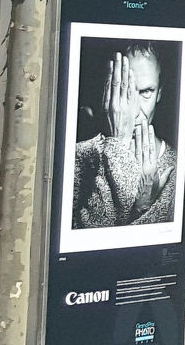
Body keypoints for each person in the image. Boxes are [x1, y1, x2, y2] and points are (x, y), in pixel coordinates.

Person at [72, 44, 177, 230]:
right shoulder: (80, 155)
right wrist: (118, 144)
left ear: (159, 93)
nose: (134, 111)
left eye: (146, 92)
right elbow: (90, 236)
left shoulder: (174, 166)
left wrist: (141, 207)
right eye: (124, 91)